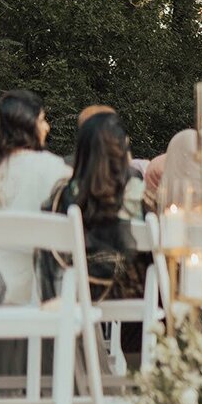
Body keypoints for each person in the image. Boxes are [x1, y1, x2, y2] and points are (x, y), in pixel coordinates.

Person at [0, 90, 71, 304]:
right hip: (35, 293)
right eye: (42, 120)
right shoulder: (53, 169)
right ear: (27, 125)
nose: (46, 126)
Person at [41, 112, 149, 302]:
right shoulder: (136, 191)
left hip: (80, 288)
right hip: (130, 291)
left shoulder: (66, 193)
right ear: (121, 147)